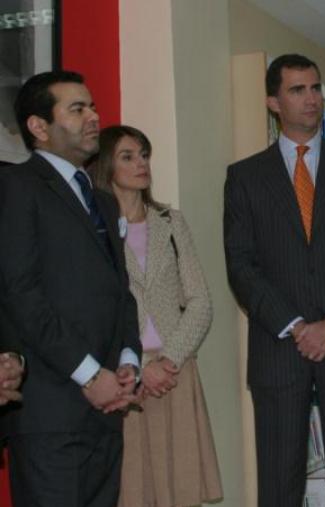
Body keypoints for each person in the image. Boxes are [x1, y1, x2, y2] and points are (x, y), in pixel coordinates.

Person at [224, 54, 325, 507]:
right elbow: (241, 265)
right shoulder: (244, 177)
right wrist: (298, 326)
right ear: (273, 102)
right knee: (278, 485)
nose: (311, 98)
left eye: (315, 88)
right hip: (280, 350)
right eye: (297, 90)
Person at [0, 70, 141, 506]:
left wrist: (127, 362)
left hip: (105, 412)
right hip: (50, 411)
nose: (93, 117)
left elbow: (121, 291)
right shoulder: (16, 187)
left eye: (93, 106)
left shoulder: (100, 198)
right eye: (77, 109)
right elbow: (21, 293)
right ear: (38, 127)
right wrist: (88, 373)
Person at [88, 125, 223, 507]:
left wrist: (167, 361)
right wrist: (139, 366)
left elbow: (200, 301)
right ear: (105, 166)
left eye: (144, 154)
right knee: (130, 491)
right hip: (123, 378)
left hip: (173, 374)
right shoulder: (92, 227)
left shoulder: (170, 221)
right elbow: (93, 308)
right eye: (128, 156)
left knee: (180, 489)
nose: (141, 163)